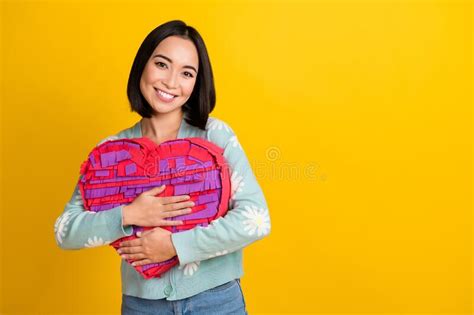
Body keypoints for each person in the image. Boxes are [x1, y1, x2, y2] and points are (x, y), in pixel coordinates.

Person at [53, 20, 271, 315]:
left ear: (196, 83)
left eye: (186, 73)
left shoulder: (214, 135)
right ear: (143, 65)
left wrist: (176, 245)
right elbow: (65, 231)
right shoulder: (110, 153)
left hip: (217, 302)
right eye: (162, 64)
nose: (171, 82)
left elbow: (255, 219)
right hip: (142, 305)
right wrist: (130, 213)